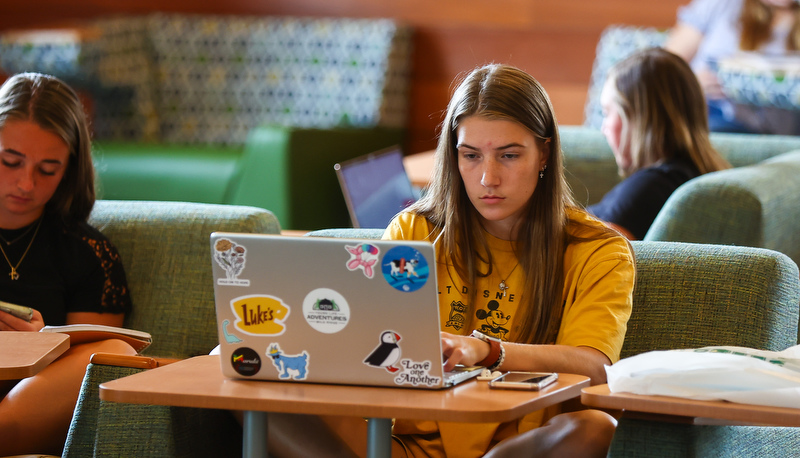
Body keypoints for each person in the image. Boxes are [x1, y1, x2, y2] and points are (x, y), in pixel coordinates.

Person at [305, 64, 634, 458]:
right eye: (471, 156)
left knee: (595, 428)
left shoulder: (598, 248)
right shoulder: (414, 232)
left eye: (509, 156)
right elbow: (364, 342)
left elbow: (594, 366)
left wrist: (490, 351)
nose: (487, 178)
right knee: (244, 382)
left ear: (544, 153)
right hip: (401, 447)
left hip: (516, 450)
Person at [0, 72, 137, 456]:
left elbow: (97, 364)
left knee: (113, 353)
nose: (26, 184)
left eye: (47, 170)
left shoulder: (88, 252)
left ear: (70, 170)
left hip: (27, 402)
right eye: (10, 161)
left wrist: (45, 347)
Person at [587, 48, 732, 240]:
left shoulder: (648, 190)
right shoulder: (689, 175)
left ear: (638, 119)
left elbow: (595, 256)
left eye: (607, 113)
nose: (603, 127)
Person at [665, 0, 800, 135]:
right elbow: (665, 67)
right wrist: (691, 83)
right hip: (714, 114)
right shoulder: (722, 4)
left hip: (783, 130)